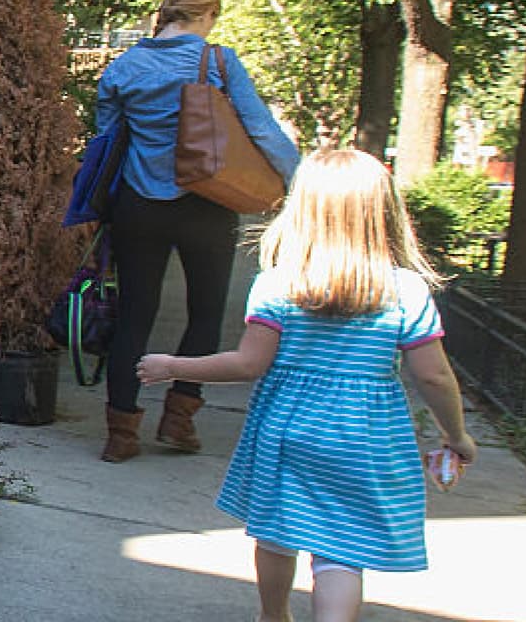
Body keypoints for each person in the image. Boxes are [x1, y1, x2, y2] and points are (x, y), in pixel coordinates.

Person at [136, 148, 477, 622]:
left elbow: (248, 364)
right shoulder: (405, 289)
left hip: (287, 428)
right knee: (341, 550)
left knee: (277, 531)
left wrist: (174, 365)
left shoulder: (279, 284)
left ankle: (273, 615)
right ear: (383, 212)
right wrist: (455, 435)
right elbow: (433, 374)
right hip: (365, 437)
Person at [95, 0, 300, 463]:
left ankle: (121, 433)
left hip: (138, 204)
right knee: (205, 314)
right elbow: (261, 129)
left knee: (134, 317)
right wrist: (302, 184)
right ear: (207, 15)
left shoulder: (122, 68)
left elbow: (106, 140)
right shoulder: (219, 63)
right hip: (207, 202)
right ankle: (178, 420)